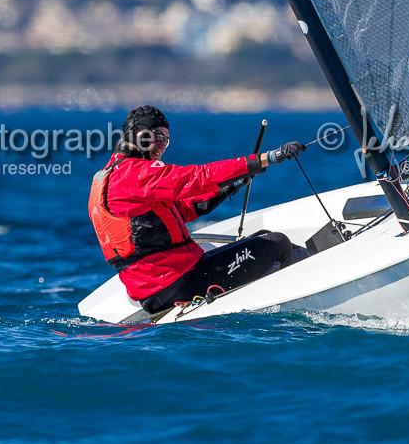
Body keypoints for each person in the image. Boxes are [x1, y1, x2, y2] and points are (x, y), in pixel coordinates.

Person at [89, 105, 305, 315]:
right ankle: (304, 290)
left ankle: (310, 259)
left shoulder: (111, 176)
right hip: (178, 283)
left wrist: (233, 185)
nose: (162, 146)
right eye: (159, 137)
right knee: (277, 244)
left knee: (262, 238)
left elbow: (185, 209)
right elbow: (197, 177)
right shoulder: (132, 175)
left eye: (167, 141)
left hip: (162, 287)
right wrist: (266, 159)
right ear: (138, 134)